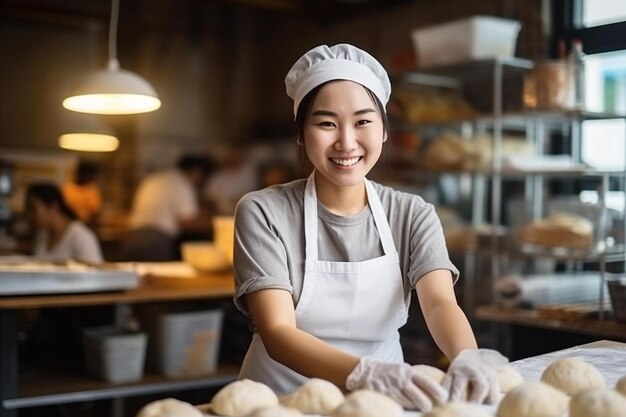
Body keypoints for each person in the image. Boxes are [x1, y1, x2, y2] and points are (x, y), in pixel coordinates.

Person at [232, 44, 507, 411]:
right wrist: (365, 373)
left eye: (363, 121)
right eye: (326, 123)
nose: (346, 142)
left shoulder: (412, 214)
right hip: (282, 402)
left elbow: (440, 302)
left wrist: (466, 356)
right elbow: (278, 332)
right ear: (300, 134)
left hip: (384, 401)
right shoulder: (264, 212)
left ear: (383, 132)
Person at [119, 154, 216, 262]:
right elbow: (186, 221)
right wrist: (213, 224)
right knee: (156, 278)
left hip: (131, 237)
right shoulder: (182, 184)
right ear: (196, 171)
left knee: (130, 277)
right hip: (156, 241)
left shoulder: (153, 178)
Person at [25, 182, 103, 264]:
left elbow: (94, 273)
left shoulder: (81, 237)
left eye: (33, 209)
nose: (30, 216)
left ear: (53, 206)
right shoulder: (42, 235)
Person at [62, 160, 103, 227]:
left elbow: (96, 211)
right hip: (69, 224)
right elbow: (63, 209)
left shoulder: (92, 189)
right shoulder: (67, 188)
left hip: (86, 225)